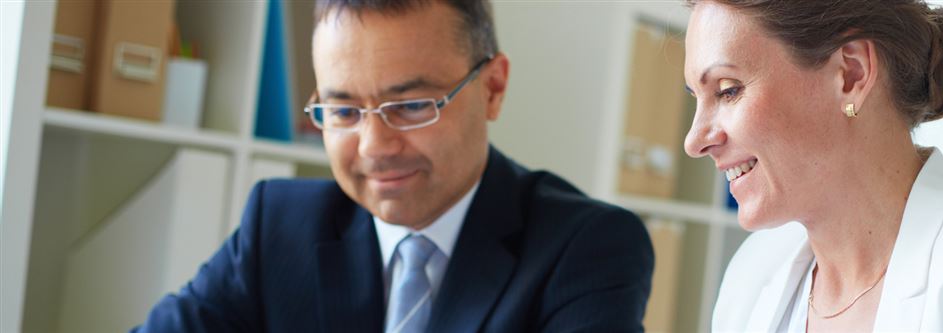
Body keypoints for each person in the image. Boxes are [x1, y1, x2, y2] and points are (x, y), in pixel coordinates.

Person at [135, 1, 653, 332]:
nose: (373, 146)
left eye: (410, 106)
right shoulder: (278, 225)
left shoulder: (586, 248)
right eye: (343, 111)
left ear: (493, 88)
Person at [680, 0, 943, 331]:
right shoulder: (752, 273)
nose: (695, 140)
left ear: (851, 73)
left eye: (728, 90)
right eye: (696, 98)